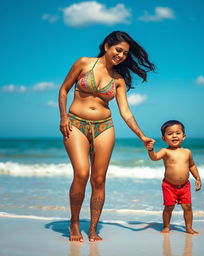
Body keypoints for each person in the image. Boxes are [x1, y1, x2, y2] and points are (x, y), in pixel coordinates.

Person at [58, 31, 155, 242]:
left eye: (125, 53)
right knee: (82, 173)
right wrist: (63, 117)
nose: (120, 55)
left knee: (99, 179)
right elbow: (64, 90)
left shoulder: (118, 80)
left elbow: (126, 112)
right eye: (118, 50)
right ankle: (74, 222)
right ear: (106, 47)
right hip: (75, 123)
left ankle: (93, 229)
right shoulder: (84, 63)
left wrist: (142, 135)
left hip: (104, 127)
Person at [146, 120, 202, 234]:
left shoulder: (187, 152)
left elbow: (192, 165)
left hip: (185, 186)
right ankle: (166, 226)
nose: (174, 136)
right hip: (169, 185)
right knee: (169, 207)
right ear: (164, 138)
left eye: (178, 133)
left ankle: (189, 228)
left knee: (187, 207)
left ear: (183, 136)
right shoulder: (165, 151)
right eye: (170, 133)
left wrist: (197, 178)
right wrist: (150, 149)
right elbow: (154, 157)